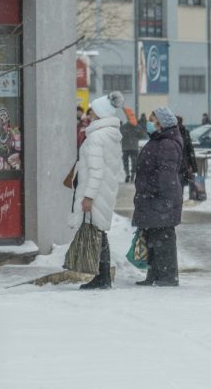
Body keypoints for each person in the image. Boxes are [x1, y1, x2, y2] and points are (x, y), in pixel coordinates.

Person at [68, 92, 124, 290]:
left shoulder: (97, 137)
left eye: (92, 111)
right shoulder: (110, 135)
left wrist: (88, 196)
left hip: (96, 192)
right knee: (99, 232)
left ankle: (102, 276)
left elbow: (96, 170)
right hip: (104, 190)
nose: (88, 115)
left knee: (97, 233)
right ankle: (102, 275)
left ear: (100, 114)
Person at [133, 106, 183, 287]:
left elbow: (166, 178)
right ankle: (153, 275)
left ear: (162, 124)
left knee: (164, 239)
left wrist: (147, 187)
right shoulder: (159, 140)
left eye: (153, 119)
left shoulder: (167, 144)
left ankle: (168, 277)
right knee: (153, 237)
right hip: (154, 200)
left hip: (162, 201)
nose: (149, 122)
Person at [176, 116, 199, 195]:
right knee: (176, 187)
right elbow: (190, 150)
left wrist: (194, 167)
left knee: (179, 187)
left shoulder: (185, 133)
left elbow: (190, 150)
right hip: (177, 165)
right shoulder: (171, 133)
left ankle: (177, 204)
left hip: (181, 165)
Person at [120, 118, 145, 183]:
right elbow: (141, 136)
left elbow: (120, 136)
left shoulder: (123, 127)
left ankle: (127, 173)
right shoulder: (137, 127)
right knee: (134, 162)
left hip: (125, 147)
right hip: (134, 147)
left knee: (125, 162)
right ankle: (132, 175)